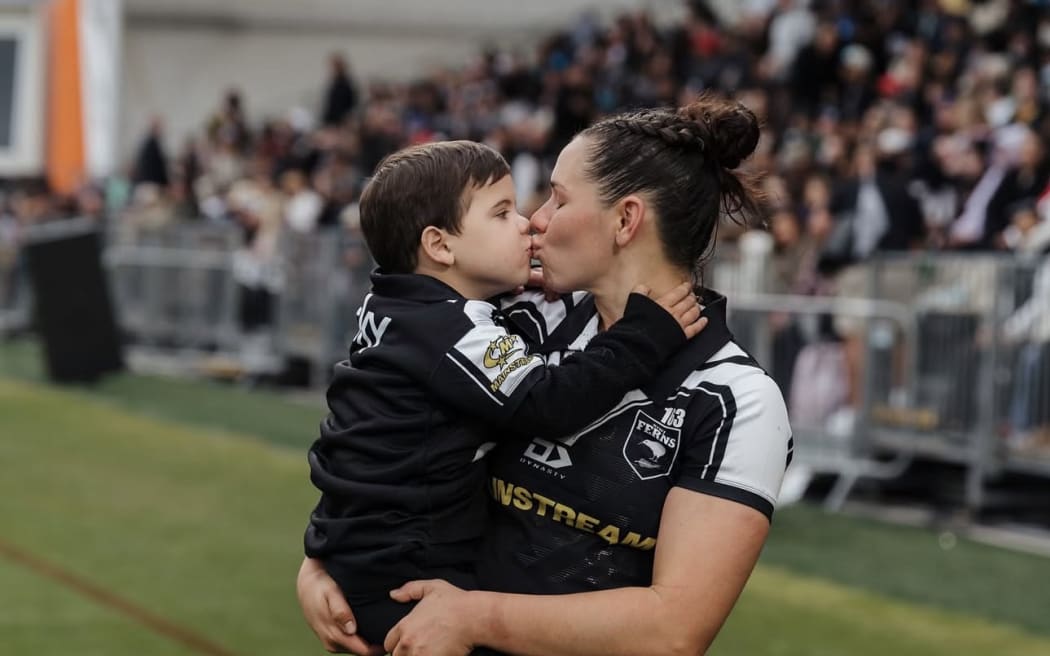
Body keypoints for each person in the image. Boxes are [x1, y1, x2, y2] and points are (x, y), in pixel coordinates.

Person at [298, 96, 792, 656]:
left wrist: (475, 618)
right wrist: (325, 564)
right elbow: (390, 441)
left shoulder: (737, 400)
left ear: (626, 220)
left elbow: (673, 630)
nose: (535, 219)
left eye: (557, 198)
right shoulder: (517, 321)